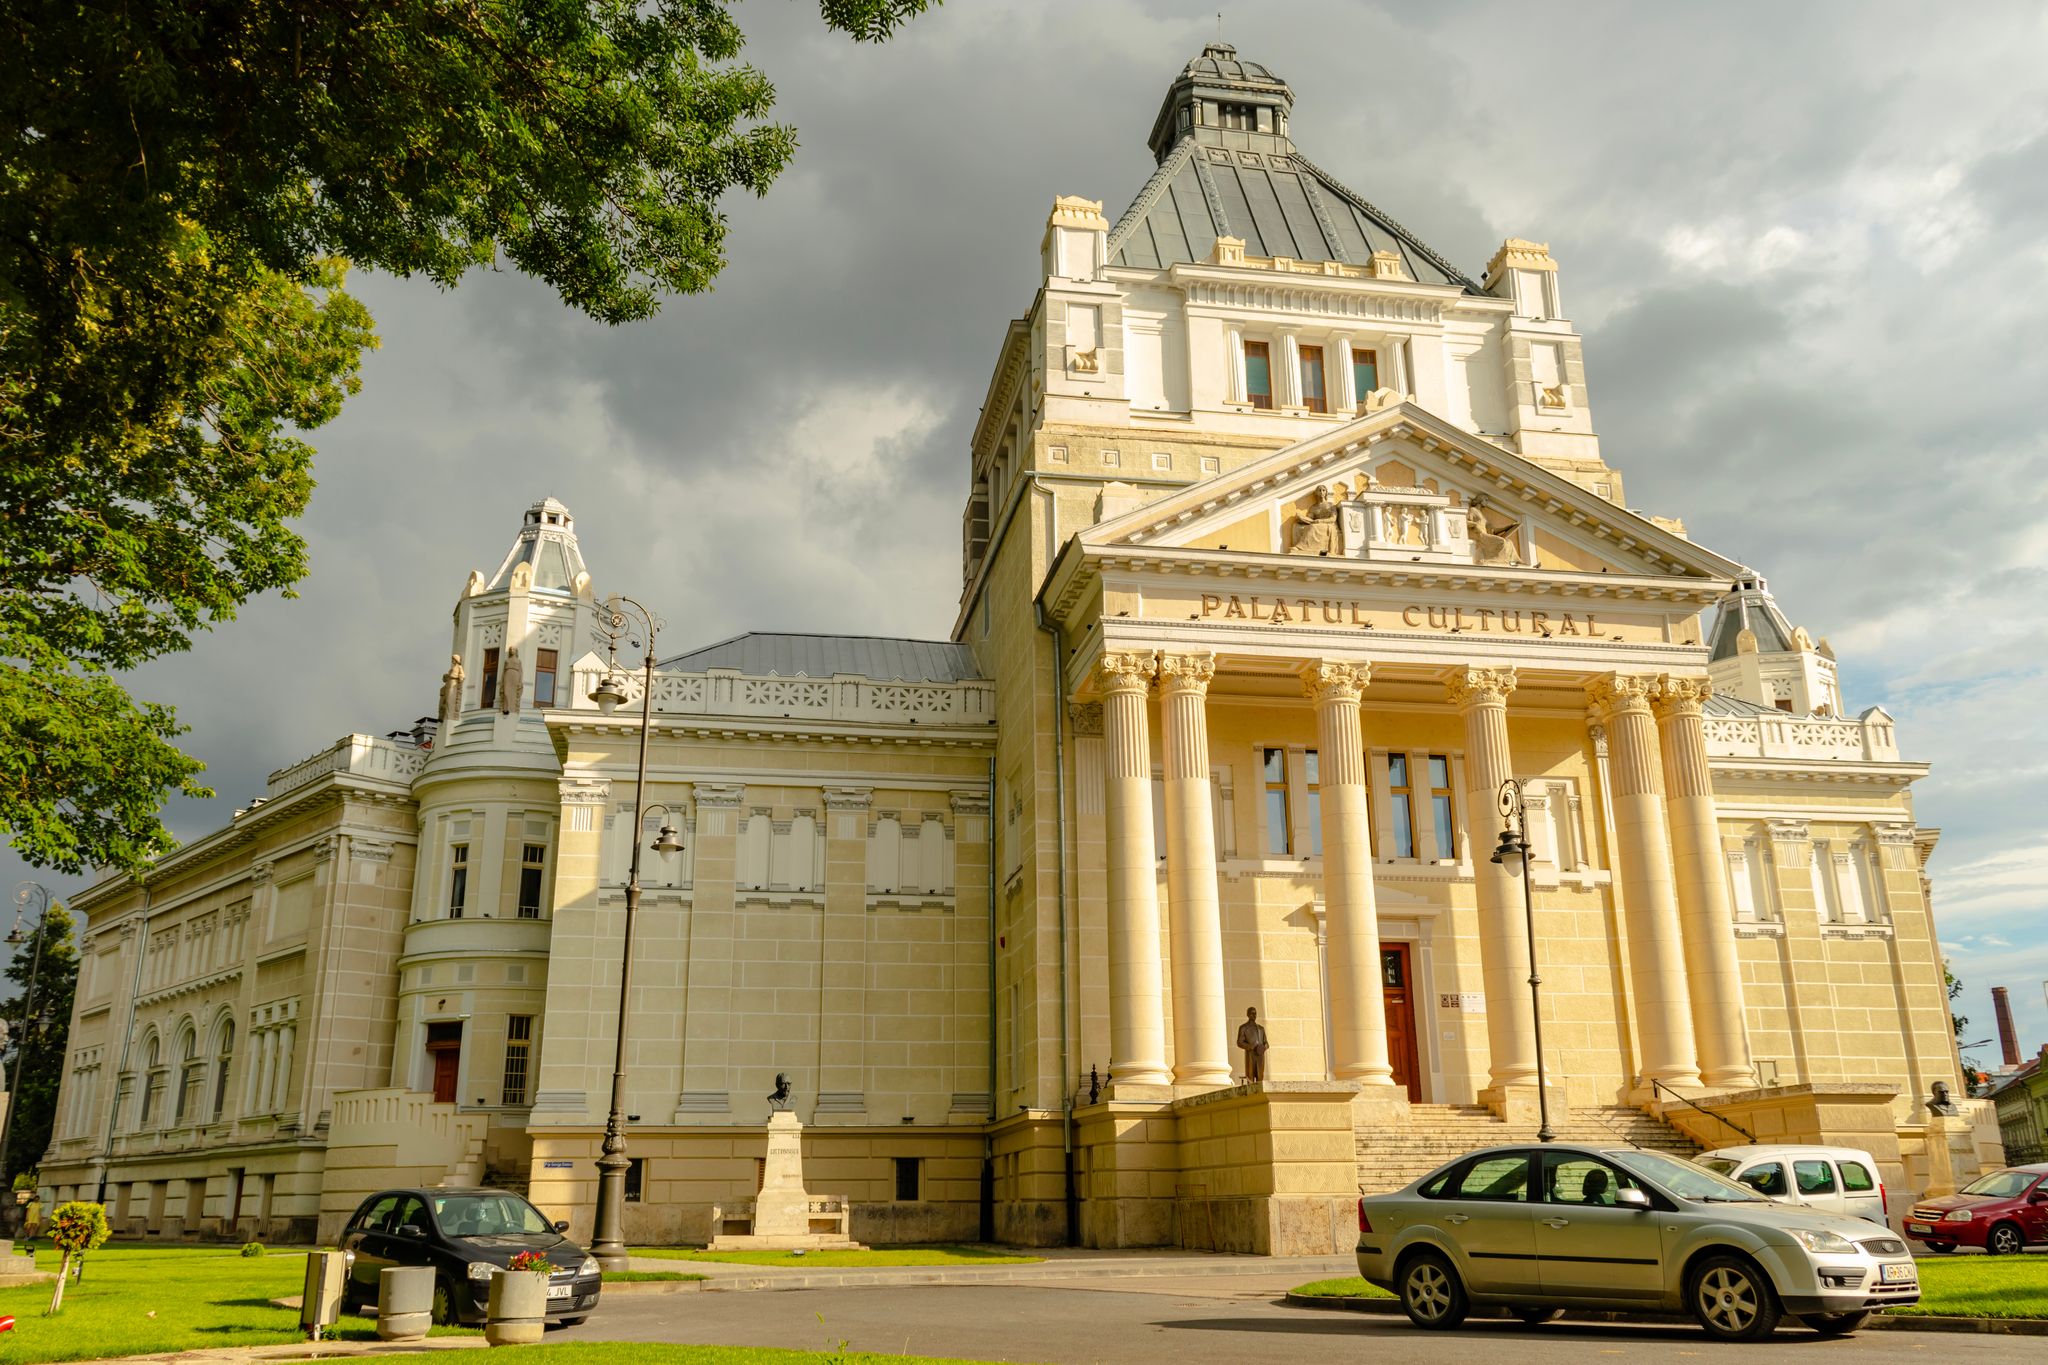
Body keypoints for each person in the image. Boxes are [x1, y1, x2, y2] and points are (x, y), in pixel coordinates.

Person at [1236, 1007, 1269, 1082]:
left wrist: (1263, 1048)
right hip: (1250, 1055)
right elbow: (1239, 1042)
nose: (1254, 1015)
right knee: (1250, 1078)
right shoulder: (1243, 1028)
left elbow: (1266, 1043)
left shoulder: (1261, 1029)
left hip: (1260, 1056)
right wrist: (1249, 1046)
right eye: (1252, 1013)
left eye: (1255, 1013)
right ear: (1248, 1015)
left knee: (1260, 1078)